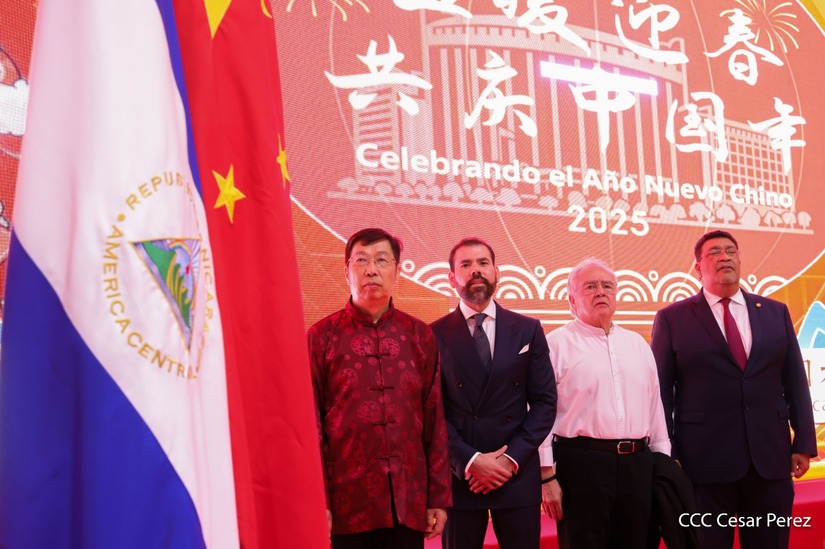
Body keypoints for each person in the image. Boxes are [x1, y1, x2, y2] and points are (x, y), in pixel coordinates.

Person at [651, 229, 817, 549]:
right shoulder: (672, 318)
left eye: (730, 251)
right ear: (698, 267)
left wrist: (803, 442)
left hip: (770, 460)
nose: (724, 257)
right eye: (714, 252)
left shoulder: (775, 312)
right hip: (702, 465)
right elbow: (659, 393)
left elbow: (795, 382)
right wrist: (667, 453)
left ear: (739, 260)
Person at [307, 228, 452, 549]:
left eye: (381, 260)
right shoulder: (321, 336)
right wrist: (319, 499)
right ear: (347, 271)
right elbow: (310, 425)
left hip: (408, 497)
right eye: (361, 260)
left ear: (397, 272)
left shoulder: (419, 335)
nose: (371, 270)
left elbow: (434, 419)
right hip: (347, 500)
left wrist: (438, 497)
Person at [430, 237, 557, 549]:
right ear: (452, 278)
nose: (476, 270)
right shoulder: (432, 334)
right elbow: (431, 411)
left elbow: (545, 403)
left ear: (497, 273)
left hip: (515, 474)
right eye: (466, 264)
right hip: (462, 478)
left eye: (483, 263)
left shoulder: (528, 329)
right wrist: (470, 461)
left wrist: (510, 460)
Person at [538, 258, 671, 548]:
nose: (600, 291)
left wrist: (662, 469)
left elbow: (655, 410)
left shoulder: (638, 344)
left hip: (638, 466)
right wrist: (546, 476)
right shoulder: (555, 344)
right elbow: (539, 412)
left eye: (607, 286)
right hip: (581, 466)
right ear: (572, 300)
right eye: (590, 286)